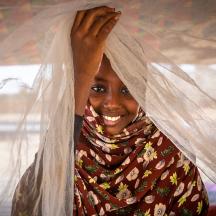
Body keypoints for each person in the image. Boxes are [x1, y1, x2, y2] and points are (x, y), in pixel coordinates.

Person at [11, 6, 209, 216]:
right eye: (96, 88)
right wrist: (81, 76)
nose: (113, 102)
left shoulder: (171, 156)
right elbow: (30, 207)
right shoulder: (63, 147)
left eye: (128, 89)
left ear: (143, 90)